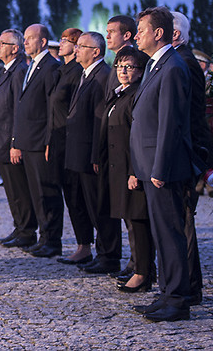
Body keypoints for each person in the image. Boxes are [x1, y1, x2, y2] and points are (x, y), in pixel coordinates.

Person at [130, 6, 192, 322]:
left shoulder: (173, 67)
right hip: (150, 165)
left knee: (170, 234)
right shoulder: (157, 65)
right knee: (161, 233)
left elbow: (170, 123)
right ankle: (166, 293)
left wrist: (160, 168)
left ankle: (177, 300)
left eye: (141, 30)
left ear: (158, 32)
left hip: (162, 169)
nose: (136, 36)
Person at [97, 46, 154, 292]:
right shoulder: (119, 94)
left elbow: (137, 137)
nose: (123, 71)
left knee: (138, 221)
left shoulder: (136, 95)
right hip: (116, 168)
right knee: (130, 220)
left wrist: (134, 171)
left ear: (140, 71)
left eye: (129, 66)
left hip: (132, 170)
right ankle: (140, 268)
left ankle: (143, 273)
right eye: (120, 66)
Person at [66, 32, 121, 275]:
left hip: (91, 155)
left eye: (81, 46)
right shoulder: (86, 73)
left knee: (101, 208)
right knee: (88, 205)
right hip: (78, 152)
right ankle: (98, 252)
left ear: (96, 52)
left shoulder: (102, 76)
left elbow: (100, 121)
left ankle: (109, 256)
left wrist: (96, 155)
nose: (75, 50)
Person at [172, 11, 212, 306]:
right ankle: (182, 284)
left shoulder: (184, 62)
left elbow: (187, 117)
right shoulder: (178, 60)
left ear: (174, 34)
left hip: (184, 155)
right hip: (181, 153)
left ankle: (189, 287)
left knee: (183, 221)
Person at [15, 24, 64, 258]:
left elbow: (51, 108)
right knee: (37, 193)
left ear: (43, 42)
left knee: (47, 192)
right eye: (24, 38)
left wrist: (48, 141)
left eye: (30, 38)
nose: (25, 42)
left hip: (41, 141)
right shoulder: (32, 65)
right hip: (29, 141)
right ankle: (44, 237)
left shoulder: (51, 67)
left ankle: (52, 240)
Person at [0, 29, 37, 249]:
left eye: (2, 43)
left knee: (19, 190)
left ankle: (27, 231)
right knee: (11, 189)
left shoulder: (19, 71)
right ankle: (19, 227)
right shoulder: (6, 70)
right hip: (1, 139)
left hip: (10, 141)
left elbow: (19, 108)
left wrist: (16, 142)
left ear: (15, 48)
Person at [47, 28, 92, 264]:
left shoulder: (76, 72)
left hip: (71, 142)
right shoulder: (61, 70)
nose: (61, 43)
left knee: (77, 196)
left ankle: (85, 246)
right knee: (69, 195)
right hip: (58, 141)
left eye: (66, 40)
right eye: (62, 40)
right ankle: (81, 244)